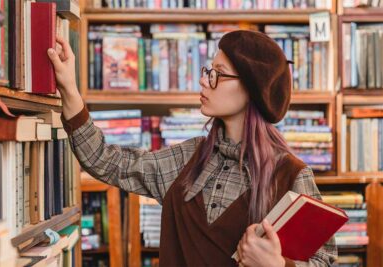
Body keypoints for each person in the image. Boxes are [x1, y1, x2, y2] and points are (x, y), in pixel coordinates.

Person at [48, 30, 337, 267]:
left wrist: (277, 266)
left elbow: (325, 262)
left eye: (218, 74)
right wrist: (69, 90)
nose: (204, 80)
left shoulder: (291, 175)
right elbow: (105, 161)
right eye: (208, 70)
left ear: (252, 89)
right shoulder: (187, 158)